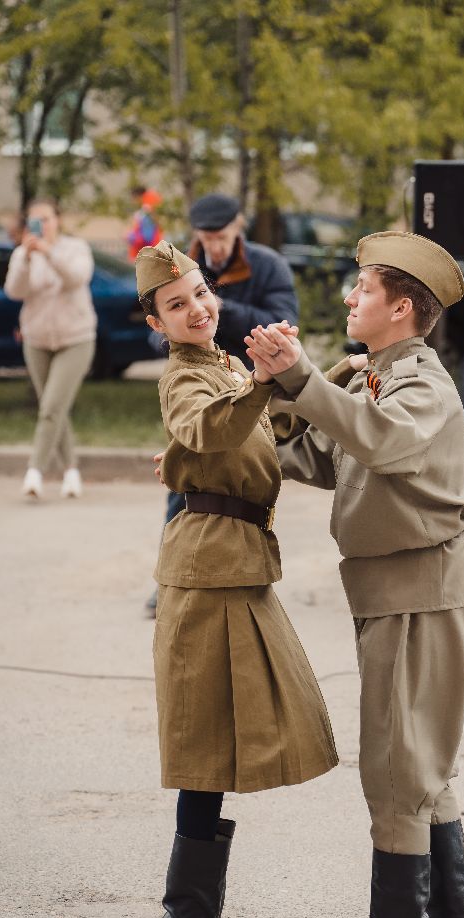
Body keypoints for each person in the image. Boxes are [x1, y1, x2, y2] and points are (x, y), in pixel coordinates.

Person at [245, 231, 464, 918]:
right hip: (403, 590)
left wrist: (300, 376)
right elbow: (330, 457)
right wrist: (240, 425)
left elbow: (385, 445)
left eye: (361, 290)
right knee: (424, 764)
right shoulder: (373, 382)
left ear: (400, 310)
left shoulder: (419, 386)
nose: (348, 299)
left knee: (395, 770)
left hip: (419, 591)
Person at [136, 239, 337, 918]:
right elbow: (212, 429)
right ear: (157, 322)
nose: (197, 309)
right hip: (206, 575)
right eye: (177, 304)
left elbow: (271, 430)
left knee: (224, 746)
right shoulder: (185, 378)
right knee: (206, 751)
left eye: (199, 293)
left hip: (236, 568)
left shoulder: (221, 366)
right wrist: (258, 383)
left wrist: (337, 372)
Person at [145, 193, 299, 615]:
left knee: (237, 477)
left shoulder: (268, 265)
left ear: (239, 227)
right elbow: (154, 335)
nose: (213, 246)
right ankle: (172, 580)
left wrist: (218, 309)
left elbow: (282, 315)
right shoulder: (177, 265)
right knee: (190, 488)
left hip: (250, 377)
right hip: (202, 386)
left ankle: (229, 578)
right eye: (206, 238)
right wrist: (192, 323)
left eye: (221, 237)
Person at [4, 197, 96, 499]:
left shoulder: (75, 248)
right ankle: (71, 472)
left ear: (58, 220)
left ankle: (35, 471)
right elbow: (14, 291)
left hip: (76, 339)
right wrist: (28, 258)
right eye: (35, 220)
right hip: (36, 340)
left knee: (51, 407)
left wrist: (49, 253)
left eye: (46, 218)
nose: (41, 225)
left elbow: (76, 279)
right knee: (53, 409)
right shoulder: (22, 253)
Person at [126, 187, 163, 261]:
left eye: (134, 198)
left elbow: (149, 214)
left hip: (150, 238)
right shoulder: (150, 198)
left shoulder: (148, 199)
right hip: (152, 238)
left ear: (137, 195)